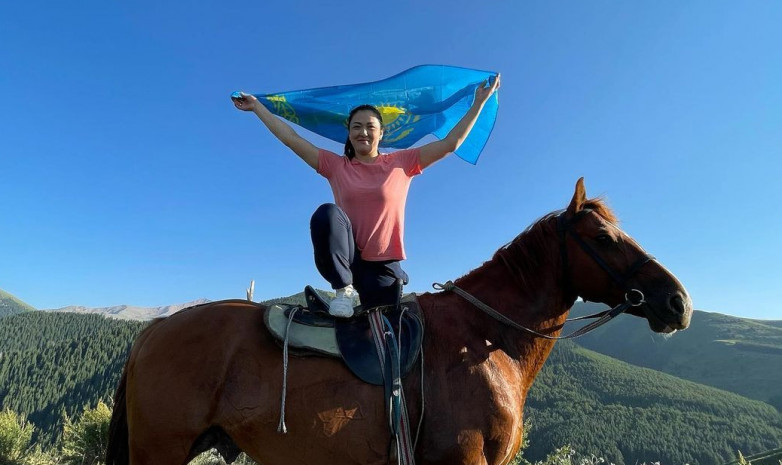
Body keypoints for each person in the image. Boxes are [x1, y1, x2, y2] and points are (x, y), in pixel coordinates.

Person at [232, 75, 500, 317]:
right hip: (348, 261)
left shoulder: (402, 163)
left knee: (385, 337)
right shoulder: (336, 166)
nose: (363, 132)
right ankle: (343, 290)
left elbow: (449, 143)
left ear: (381, 133)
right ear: (348, 134)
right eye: (356, 127)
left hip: (384, 266)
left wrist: (478, 103)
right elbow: (291, 138)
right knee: (327, 213)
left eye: (370, 127)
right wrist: (258, 108)